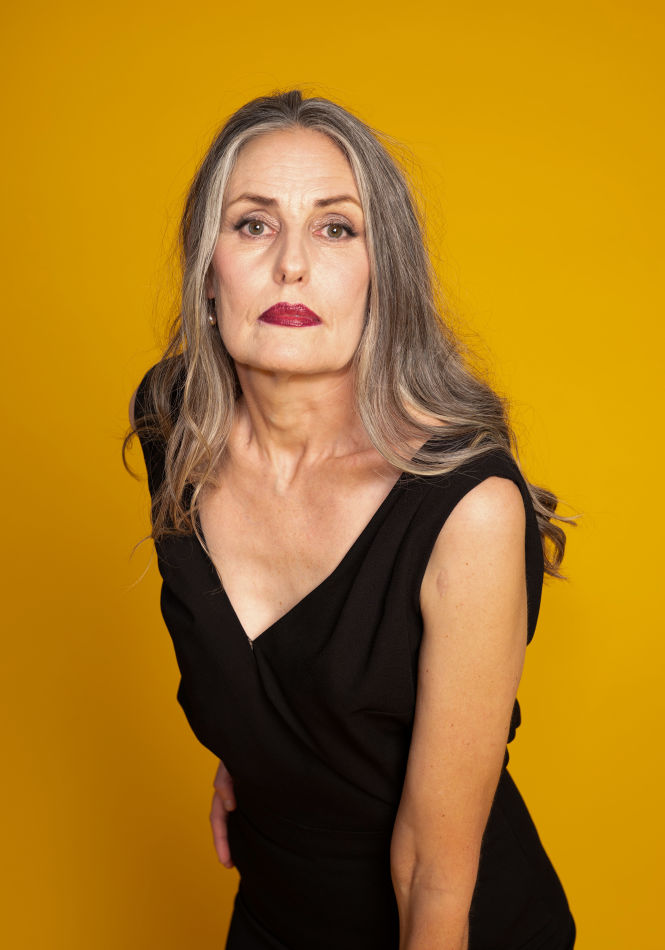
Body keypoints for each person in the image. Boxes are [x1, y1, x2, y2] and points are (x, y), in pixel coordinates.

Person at [125, 89, 577, 950]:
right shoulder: (174, 423)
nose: (291, 265)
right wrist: (256, 748)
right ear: (207, 273)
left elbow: (432, 874)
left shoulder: (466, 509)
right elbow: (273, 664)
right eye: (253, 225)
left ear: (384, 277)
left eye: (336, 228)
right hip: (273, 913)